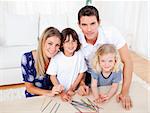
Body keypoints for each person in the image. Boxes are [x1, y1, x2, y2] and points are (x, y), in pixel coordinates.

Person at [77, 5, 133, 110]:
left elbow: (128, 61)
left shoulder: (112, 33)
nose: (89, 29)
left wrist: (125, 92)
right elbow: (78, 67)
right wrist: (81, 83)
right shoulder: (77, 40)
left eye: (93, 23)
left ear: (99, 22)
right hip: (90, 74)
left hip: (110, 74)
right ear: (79, 25)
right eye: (84, 24)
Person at [21, 27, 64, 97]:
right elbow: (29, 88)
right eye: (50, 43)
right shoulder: (27, 58)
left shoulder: (58, 58)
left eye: (57, 45)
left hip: (54, 96)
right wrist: (50, 92)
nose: (53, 49)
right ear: (42, 42)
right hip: (35, 97)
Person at [46, 28, 87, 101]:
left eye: (73, 41)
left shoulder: (79, 55)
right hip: (59, 93)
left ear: (77, 43)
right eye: (67, 41)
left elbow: (81, 73)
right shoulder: (56, 57)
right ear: (62, 44)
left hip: (75, 91)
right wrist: (61, 92)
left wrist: (72, 88)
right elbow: (52, 76)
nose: (71, 44)